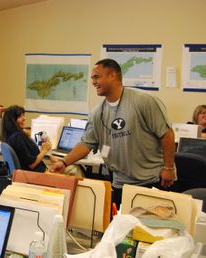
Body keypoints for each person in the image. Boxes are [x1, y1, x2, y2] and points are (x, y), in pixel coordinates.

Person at [50, 59, 176, 208]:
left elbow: (167, 134)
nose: (93, 82)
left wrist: (169, 168)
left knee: (148, 229)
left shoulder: (143, 101)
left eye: (97, 77)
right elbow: (86, 143)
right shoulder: (98, 112)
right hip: (121, 183)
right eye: (92, 79)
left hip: (152, 180)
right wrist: (64, 162)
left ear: (112, 75)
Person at [2, 105, 54, 172]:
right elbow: (32, 164)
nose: (24, 118)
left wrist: (48, 156)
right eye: (20, 117)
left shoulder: (10, 135)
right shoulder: (18, 137)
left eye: (23, 115)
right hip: (33, 174)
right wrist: (44, 150)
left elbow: (27, 156)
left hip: (24, 174)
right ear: (12, 121)